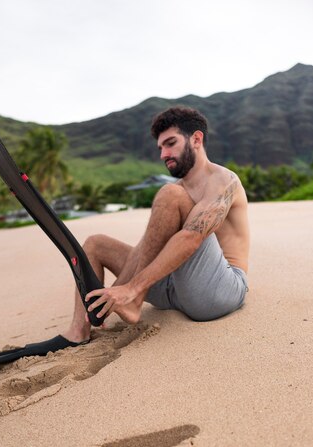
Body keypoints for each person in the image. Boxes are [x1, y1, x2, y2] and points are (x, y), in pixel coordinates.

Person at [62, 106, 250, 344]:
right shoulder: (180, 189)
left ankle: (135, 299)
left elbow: (190, 238)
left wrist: (131, 289)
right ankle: (80, 330)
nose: (163, 154)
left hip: (220, 289)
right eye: (161, 147)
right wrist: (116, 293)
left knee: (170, 194)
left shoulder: (223, 180)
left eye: (170, 143)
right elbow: (147, 247)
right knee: (95, 244)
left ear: (196, 139)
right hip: (176, 289)